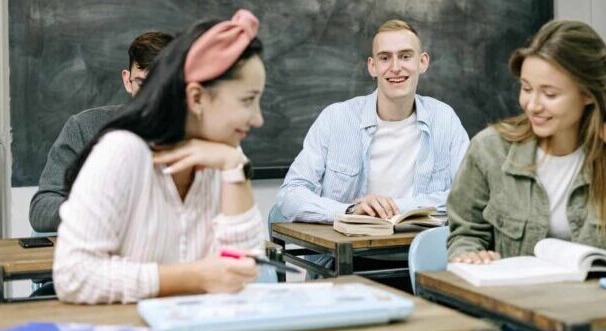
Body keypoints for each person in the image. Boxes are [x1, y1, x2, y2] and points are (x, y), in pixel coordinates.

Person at [53, 10, 267, 303]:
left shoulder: (226, 156)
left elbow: (243, 272)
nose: (258, 119)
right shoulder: (122, 151)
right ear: (196, 98)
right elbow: (73, 275)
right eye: (247, 100)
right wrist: (197, 276)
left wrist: (234, 168)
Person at [446, 20, 606, 264]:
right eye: (527, 88)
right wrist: (469, 255)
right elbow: (465, 235)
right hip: (515, 298)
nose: (533, 105)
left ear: (588, 94)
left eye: (550, 94)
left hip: (599, 300)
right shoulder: (490, 150)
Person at [275, 19, 469, 223]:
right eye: (385, 58)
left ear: (422, 62)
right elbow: (290, 194)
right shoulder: (335, 119)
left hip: (417, 250)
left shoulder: (445, 119)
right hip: (348, 251)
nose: (395, 67)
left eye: (405, 56)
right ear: (372, 66)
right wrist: (350, 211)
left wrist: (394, 207)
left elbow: (467, 194)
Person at [29, 31, 174, 232]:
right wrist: (92, 210)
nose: (151, 96)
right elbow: (41, 209)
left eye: (161, 84)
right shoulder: (83, 128)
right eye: (142, 83)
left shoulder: (195, 133)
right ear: (127, 80)